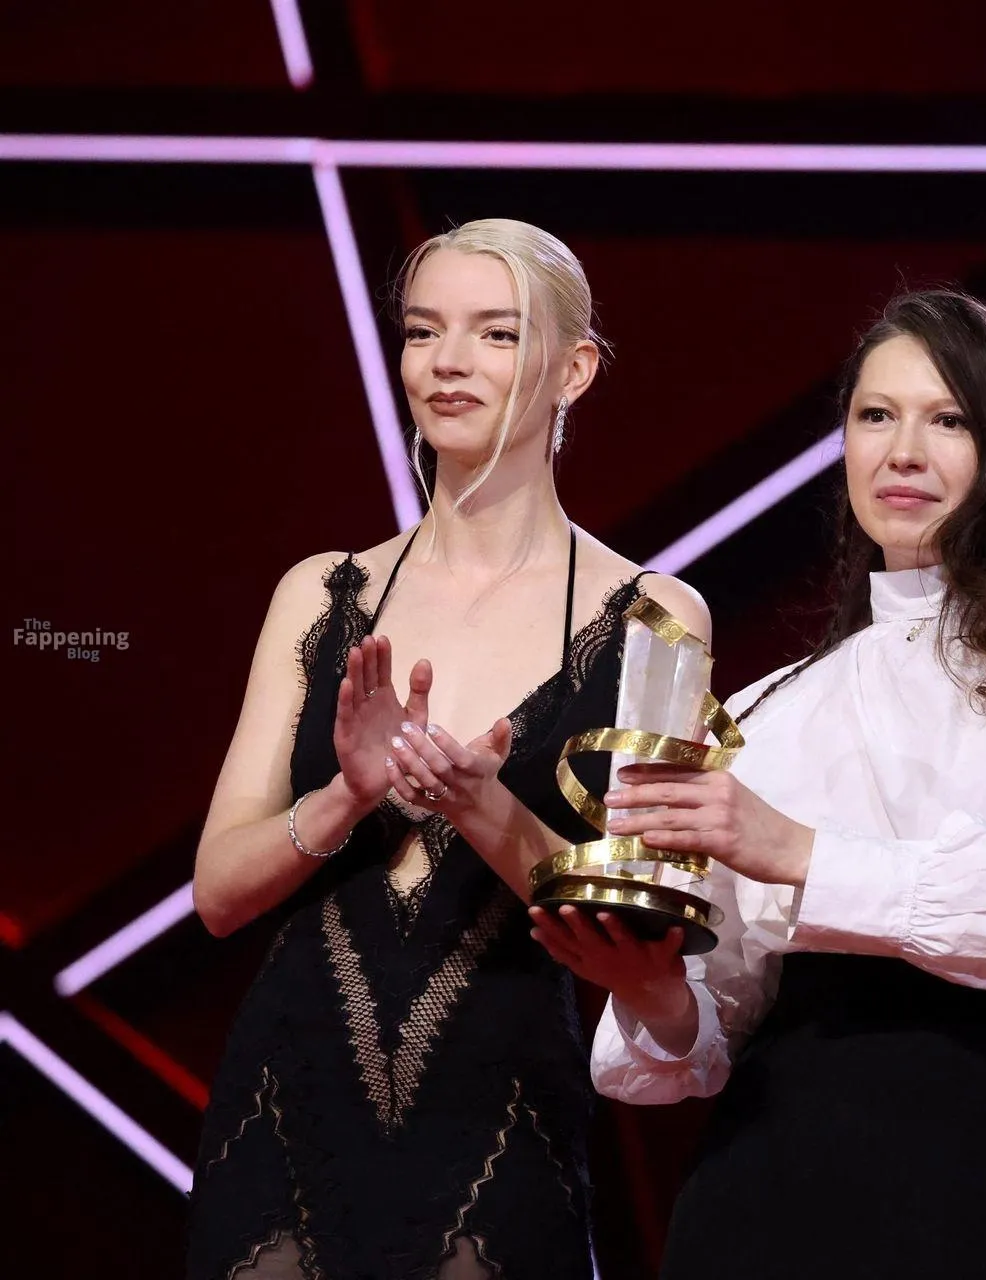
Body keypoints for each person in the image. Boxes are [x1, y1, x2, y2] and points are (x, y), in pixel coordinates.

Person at [530, 289, 986, 1279]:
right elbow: (709, 1030)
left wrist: (798, 851)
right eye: (877, 415)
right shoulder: (767, 710)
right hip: (767, 1197)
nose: (903, 452)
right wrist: (653, 988)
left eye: (948, 419)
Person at [188, 218, 708, 1278]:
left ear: (575, 369)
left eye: (495, 333)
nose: (448, 362)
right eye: (424, 332)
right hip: (287, 1102)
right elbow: (218, 894)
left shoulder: (660, 617)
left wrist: (485, 806)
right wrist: (345, 796)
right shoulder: (319, 591)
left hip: (502, 1111)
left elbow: (644, 932)